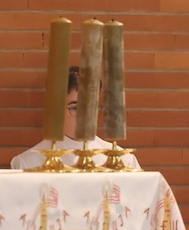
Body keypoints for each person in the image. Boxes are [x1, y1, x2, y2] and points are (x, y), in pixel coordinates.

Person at [10, 66, 141, 170]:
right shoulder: (27, 164)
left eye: (91, 107)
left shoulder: (123, 161)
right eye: (75, 108)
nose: (86, 117)